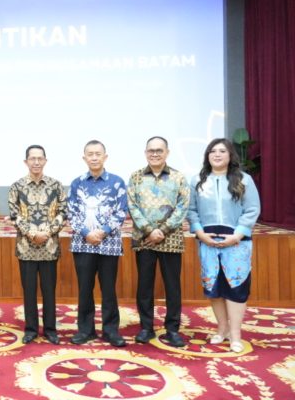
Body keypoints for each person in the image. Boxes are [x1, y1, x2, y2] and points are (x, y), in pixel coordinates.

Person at [187, 138, 260, 353]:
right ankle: (222, 328)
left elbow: (252, 209)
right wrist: (200, 233)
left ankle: (235, 335)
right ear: (207, 156)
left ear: (230, 155)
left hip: (236, 242)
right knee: (214, 288)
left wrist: (237, 236)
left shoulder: (243, 180)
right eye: (213, 151)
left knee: (236, 288)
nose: (217, 155)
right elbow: (191, 210)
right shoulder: (197, 181)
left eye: (222, 151)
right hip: (208, 241)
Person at [127, 136, 190, 347]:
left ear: (167, 153)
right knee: (145, 285)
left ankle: (172, 329)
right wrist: (149, 230)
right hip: (144, 239)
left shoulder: (178, 177)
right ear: (146, 153)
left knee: (172, 286)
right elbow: (132, 206)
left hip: (170, 238)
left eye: (159, 150)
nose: (155, 154)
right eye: (151, 150)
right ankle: (146, 327)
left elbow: (182, 206)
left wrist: (162, 230)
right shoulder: (136, 177)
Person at [67, 140, 128, 347]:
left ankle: (111, 331)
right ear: (84, 158)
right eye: (90, 154)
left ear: (105, 157)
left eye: (98, 154)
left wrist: (102, 232)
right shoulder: (77, 183)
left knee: (108, 289)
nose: (94, 157)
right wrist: (86, 233)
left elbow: (121, 211)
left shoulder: (117, 182)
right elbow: (71, 212)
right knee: (85, 289)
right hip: (82, 243)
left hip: (108, 244)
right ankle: (85, 330)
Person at [8, 145, 66, 345]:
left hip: (49, 247)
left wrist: (47, 232)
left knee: (49, 291)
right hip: (26, 248)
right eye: (32, 158)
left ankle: (50, 329)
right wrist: (32, 233)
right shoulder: (17, 187)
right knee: (29, 292)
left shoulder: (56, 186)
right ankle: (31, 329)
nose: (36, 162)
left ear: (45, 161)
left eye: (40, 158)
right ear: (26, 162)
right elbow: (14, 214)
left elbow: (63, 212)